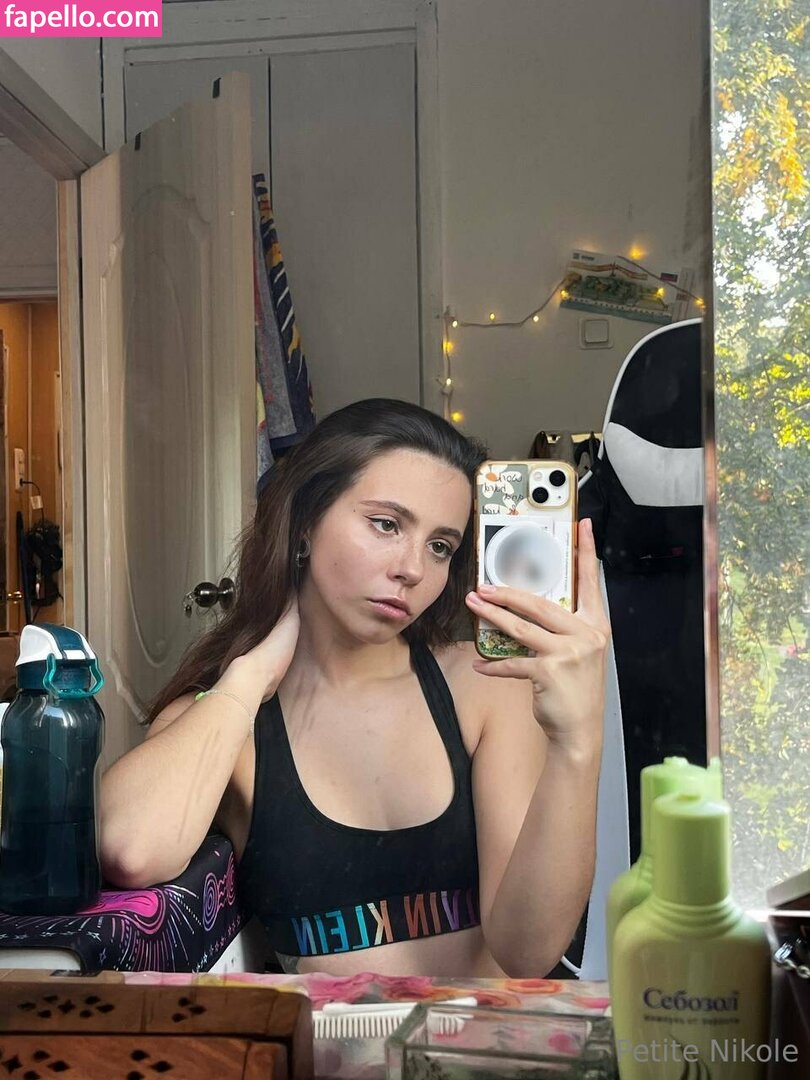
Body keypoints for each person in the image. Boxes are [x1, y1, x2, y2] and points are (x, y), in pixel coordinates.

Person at [100, 399, 610, 977]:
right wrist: (250, 675)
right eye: (386, 524)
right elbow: (130, 849)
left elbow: (527, 952)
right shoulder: (232, 722)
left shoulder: (484, 686)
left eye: (440, 546)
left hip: (487, 1031)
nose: (413, 568)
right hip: (329, 1037)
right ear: (305, 521)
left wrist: (578, 742)